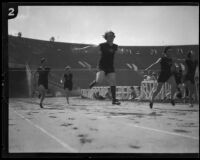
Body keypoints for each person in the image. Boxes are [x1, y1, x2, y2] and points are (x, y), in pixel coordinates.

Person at [77, 31, 121, 105]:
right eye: (110, 36)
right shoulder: (102, 45)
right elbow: (92, 48)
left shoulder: (115, 46)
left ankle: (114, 100)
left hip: (110, 67)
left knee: (113, 82)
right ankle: (94, 82)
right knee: (99, 80)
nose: (112, 37)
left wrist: (126, 51)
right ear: (106, 37)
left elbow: (120, 51)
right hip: (102, 66)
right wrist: (82, 49)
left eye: (113, 36)